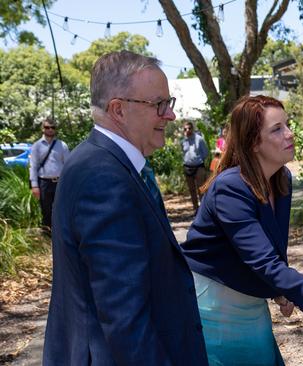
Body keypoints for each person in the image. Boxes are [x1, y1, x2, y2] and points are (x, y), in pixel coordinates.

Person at [43, 51, 208, 366]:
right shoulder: (103, 177)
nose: (170, 115)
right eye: (158, 104)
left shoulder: (113, 164)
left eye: (168, 103)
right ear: (118, 109)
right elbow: (124, 318)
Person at [181, 95, 303, 366]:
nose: (290, 134)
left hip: (249, 299)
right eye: (277, 129)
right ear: (254, 142)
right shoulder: (230, 188)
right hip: (214, 305)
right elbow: (263, 261)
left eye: (287, 125)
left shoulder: (281, 178)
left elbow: (273, 247)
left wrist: (283, 290)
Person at [29, 117, 70, 235]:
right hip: (44, 183)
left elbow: (68, 165)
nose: (50, 130)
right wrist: (34, 186)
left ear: (55, 129)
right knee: (46, 210)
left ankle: (60, 233)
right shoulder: (36, 146)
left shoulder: (62, 145)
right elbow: (33, 166)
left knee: (60, 208)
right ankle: (48, 235)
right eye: (47, 127)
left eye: (53, 127)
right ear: (43, 129)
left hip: (59, 182)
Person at [181, 121, 209, 211]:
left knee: (201, 189)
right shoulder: (183, 141)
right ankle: (196, 209)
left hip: (199, 167)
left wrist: (198, 160)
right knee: (192, 190)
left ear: (192, 129)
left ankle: (203, 210)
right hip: (187, 167)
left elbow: (205, 153)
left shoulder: (199, 139)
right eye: (185, 129)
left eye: (189, 128)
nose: (187, 130)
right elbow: (183, 153)